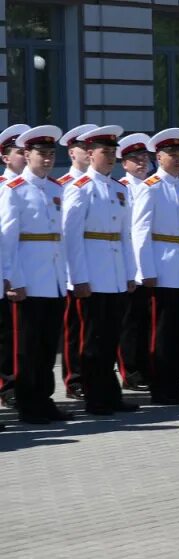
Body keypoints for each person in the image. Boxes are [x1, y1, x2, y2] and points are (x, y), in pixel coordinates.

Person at [61, 125, 140, 416]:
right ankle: (95, 397)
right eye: (104, 152)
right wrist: (78, 277)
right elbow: (71, 237)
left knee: (110, 338)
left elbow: (125, 235)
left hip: (115, 274)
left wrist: (130, 274)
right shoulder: (79, 188)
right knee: (92, 340)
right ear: (90, 154)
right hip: (92, 275)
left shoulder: (119, 190)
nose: (109, 158)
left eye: (112, 152)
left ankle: (111, 394)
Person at [0, 125, 75, 424]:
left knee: (46, 347)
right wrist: (13, 279)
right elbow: (8, 240)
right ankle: (29, 404)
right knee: (27, 348)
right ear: (26, 155)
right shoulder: (14, 190)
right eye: (40, 154)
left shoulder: (56, 189)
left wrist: (65, 277)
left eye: (50, 154)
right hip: (29, 279)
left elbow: (61, 238)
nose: (46, 159)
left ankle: (44, 400)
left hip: (53, 279)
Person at [133, 128, 179, 405]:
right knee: (161, 333)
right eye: (170, 154)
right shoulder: (150, 187)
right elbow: (140, 231)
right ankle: (161, 386)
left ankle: (175, 384)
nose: (176, 159)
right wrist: (145, 271)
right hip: (161, 268)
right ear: (158, 157)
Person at [55, 123, 97, 401]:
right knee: (75, 328)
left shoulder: (101, 183)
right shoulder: (62, 186)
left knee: (96, 329)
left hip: (101, 267)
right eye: (85, 148)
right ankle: (74, 378)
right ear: (72, 152)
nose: (89, 153)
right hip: (71, 267)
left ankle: (94, 376)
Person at [116, 133, 152, 392]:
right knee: (129, 323)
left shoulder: (153, 186)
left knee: (145, 321)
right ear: (124, 164)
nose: (141, 163)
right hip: (129, 262)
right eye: (135, 159)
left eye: (144, 158)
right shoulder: (122, 188)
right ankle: (130, 371)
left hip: (148, 262)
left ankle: (145, 365)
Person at [0, 124, 29, 408]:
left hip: (29, 272)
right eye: (20, 152)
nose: (25, 157)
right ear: (5, 157)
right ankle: (8, 385)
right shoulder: (4, 188)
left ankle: (17, 384)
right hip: (9, 272)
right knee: (7, 337)